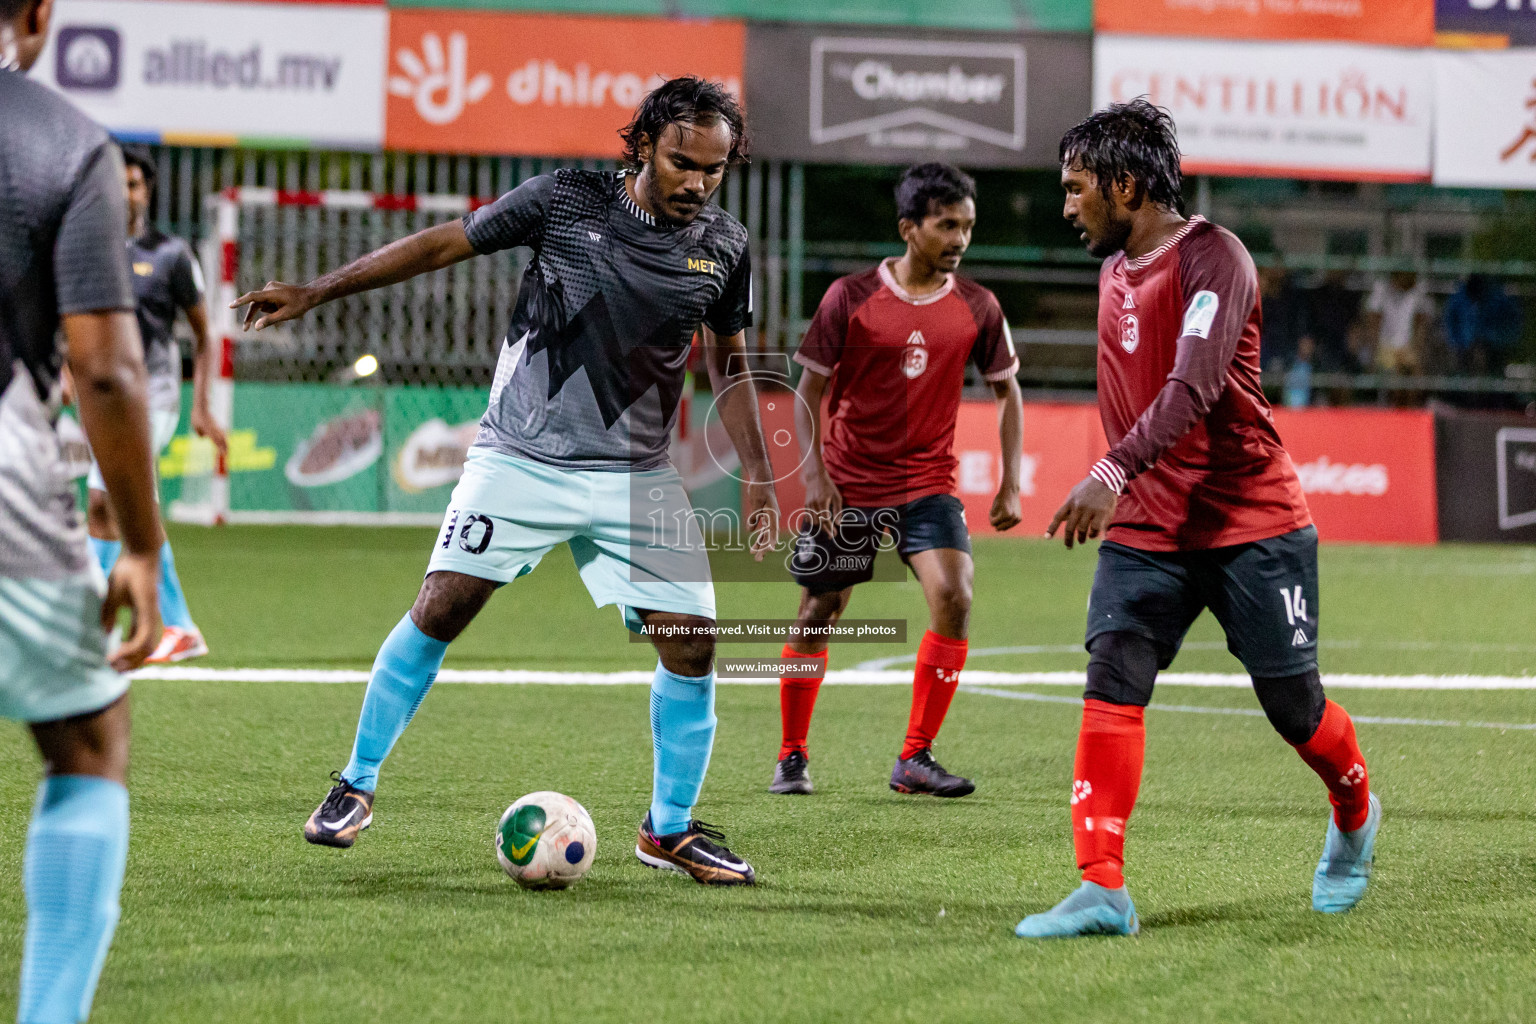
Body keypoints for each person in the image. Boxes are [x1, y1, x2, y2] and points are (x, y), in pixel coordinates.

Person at [234, 77, 779, 886]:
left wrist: (761, 478)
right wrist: (319, 290)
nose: (697, 183)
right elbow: (442, 244)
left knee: (694, 643)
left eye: (715, 169)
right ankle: (356, 783)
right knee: (443, 605)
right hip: (521, 455)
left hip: (636, 475)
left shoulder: (724, 246)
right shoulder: (563, 200)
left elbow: (731, 362)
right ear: (645, 145)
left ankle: (667, 830)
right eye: (681, 162)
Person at [1017, 99, 1380, 939]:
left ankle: (1355, 813)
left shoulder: (1217, 258)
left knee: (1296, 709)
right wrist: (1129, 483)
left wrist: (1110, 468)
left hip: (1251, 520)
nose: (1066, 207)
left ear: (1127, 184)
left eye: (1077, 190)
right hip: (1149, 528)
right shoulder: (1113, 268)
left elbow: (1196, 384)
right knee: (1113, 675)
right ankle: (1102, 886)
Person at [2, 0, 165, 1019]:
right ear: (40, 14)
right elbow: (104, 369)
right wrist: (142, 543)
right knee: (88, 738)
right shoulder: (62, 140)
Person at [770, 163, 1022, 798]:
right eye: (946, 225)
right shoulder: (849, 298)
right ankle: (792, 755)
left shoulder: (978, 307)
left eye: (967, 226)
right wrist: (817, 477)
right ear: (909, 228)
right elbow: (807, 395)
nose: (960, 238)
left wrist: (1011, 483)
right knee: (818, 610)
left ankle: (915, 758)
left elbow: (1008, 393)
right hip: (850, 482)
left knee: (956, 596)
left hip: (927, 483)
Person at [82, 144, 226, 664]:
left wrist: (202, 405)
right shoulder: (89, 248)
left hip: (155, 394)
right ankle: (176, 626)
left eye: (134, 184)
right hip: (105, 394)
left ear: (147, 191)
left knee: (105, 501)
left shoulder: (170, 255)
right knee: (121, 505)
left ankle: (91, 625)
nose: (125, 192)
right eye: (116, 182)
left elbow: (205, 335)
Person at [1445, 274, 1521, 377]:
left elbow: (1513, 326)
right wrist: (1462, 344)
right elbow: (1450, 324)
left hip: (1493, 352)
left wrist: (1494, 339)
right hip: (1466, 351)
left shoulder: (1498, 298)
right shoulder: (1458, 299)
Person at [1364, 271, 1431, 376]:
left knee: (1413, 373)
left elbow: (1421, 323)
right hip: (1386, 346)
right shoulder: (1381, 289)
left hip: (1407, 346)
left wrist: (1418, 349)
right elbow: (1373, 321)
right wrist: (1374, 351)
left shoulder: (1417, 293)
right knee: (1390, 374)